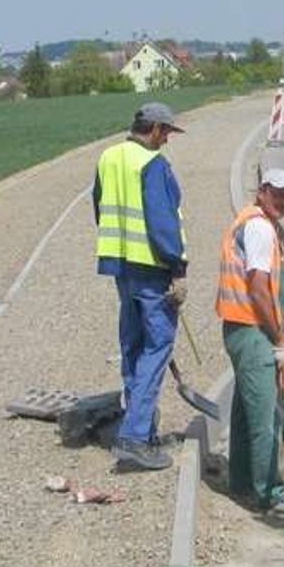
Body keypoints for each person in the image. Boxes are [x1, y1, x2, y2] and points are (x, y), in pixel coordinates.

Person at [94, 102, 188, 471]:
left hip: (121, 265)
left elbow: (99, 207)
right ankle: (134, 437)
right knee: (157, 346)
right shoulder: (153, 164)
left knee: (133, 347)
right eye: (166, 133)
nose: (167, 140)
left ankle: (141, 426)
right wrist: (177, 267)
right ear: (155, 128)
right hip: (152, 268)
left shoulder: (108, 157)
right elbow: (163, 222)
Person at [216, 168, 284, 515]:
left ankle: (242, 482)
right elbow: (258, 287)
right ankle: (271, 493)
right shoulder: (259, 228)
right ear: (262, 191)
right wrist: (279, 338)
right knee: (264, 418)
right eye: (278, 194)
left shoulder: (254, 222)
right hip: (253, 330)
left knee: (245, 411)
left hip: (241, 328)